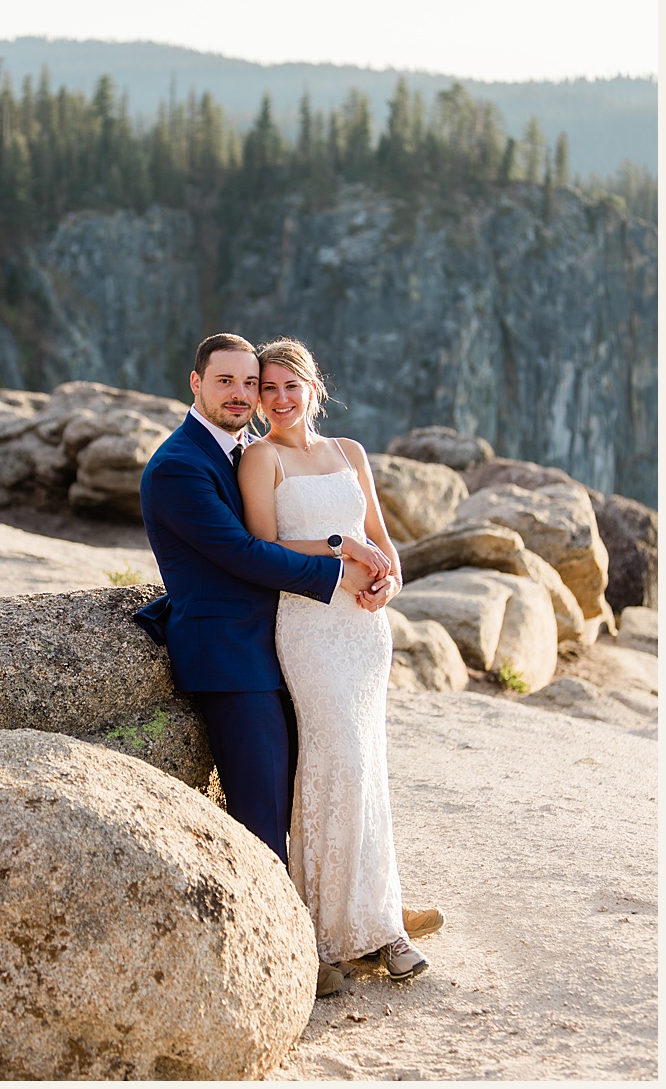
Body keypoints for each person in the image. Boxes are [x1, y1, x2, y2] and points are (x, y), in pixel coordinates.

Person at [133, 334, 411, 999]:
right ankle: (288, 955)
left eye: (248, 382)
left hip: (293, 637)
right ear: (194, 383)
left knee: (330, 777)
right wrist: (343, 561)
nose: (243, 394)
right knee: (262, 809)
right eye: (226, 381)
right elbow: (242, 552)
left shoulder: (234, 450)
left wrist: (382, 570)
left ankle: (356, 914)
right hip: (234, 655)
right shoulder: (179, 465)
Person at [238, 338, 429, 985]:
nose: (280, 400)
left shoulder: (349, 452)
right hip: (311, 628)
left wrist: (390, 581)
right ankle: (323, 933)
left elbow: (381, 535)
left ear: (314, 387)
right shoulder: (259, 458)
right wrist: (337, 545)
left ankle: (383, 929)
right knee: (336, 762)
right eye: (268, 389)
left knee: (368, 770)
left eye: (291, 386)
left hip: (366, 632)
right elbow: (264, 547)